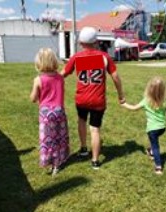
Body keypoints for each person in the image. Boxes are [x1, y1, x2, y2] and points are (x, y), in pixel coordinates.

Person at [61, 26, 125, 170]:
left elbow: (63, 73)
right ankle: (95, 161)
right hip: (98, 100)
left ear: (81, 43)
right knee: (95, 129)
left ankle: (84, 149)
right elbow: (115, 77)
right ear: (96, 41)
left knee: (81, 121)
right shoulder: (104, 57)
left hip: (81, 99)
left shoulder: (77, 57)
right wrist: (121, 95)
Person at [121, 77, 166, 175]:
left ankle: (158, 166)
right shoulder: (165, 101)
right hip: (162, 129)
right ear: (163, 90)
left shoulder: (146, 100)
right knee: (154, 140)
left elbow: (134, 108)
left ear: (149, 89)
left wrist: (124, 104)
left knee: (155, 146)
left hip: (152, 130)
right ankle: (150, 151)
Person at [30, 48, 69, 176]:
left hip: (46, 113)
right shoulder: (60, 78)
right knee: (59, 137)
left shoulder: (39, 79)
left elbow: (33, 98)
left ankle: (50, 161)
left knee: (48, 139)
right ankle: (58, 162)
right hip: (59, 111)